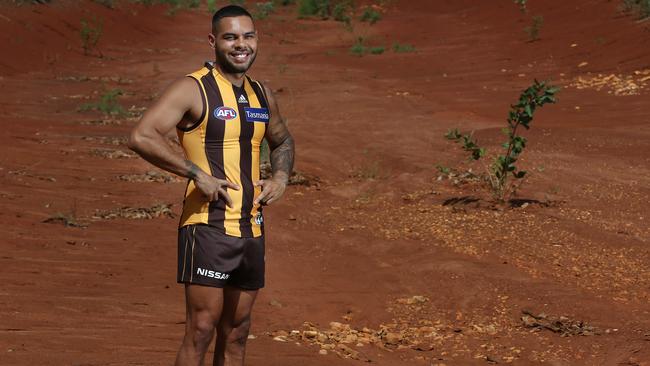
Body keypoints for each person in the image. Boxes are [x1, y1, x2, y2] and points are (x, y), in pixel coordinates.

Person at [127, 5, 294, 366]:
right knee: (201, 328)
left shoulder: (262, 94)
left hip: (251, 227)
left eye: (248, 36)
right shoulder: (193, 88)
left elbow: (282, 140)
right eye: (231, 37)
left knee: (237, 331)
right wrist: (194, 172)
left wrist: (281, 177)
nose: (241, 45)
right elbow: (142, 135)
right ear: (213, 41)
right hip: (207, 227)